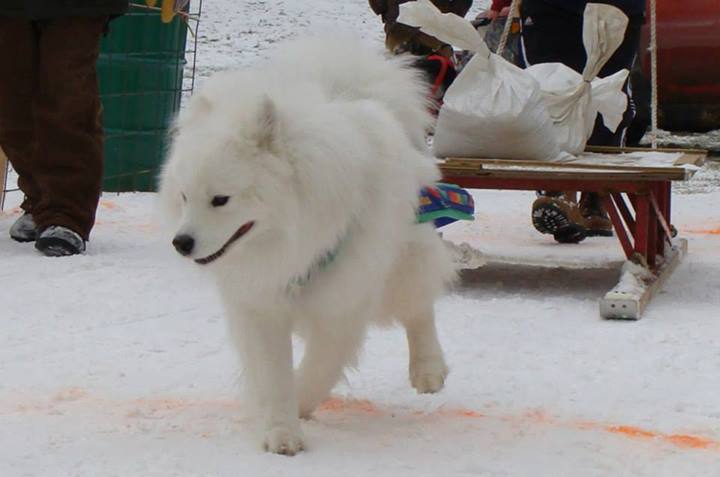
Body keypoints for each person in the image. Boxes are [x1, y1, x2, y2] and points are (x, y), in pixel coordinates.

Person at [0, 0, 129, 256]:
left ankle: (66, 215)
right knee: (10, 104)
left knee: (67, 98)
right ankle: (41, 202)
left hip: (76, 7)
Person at [519, 0, 646, 243]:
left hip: (616, 7)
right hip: (550, 10)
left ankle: (595, 194)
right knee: (549, 88)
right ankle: (559, 191)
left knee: (608, 93)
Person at [369, 0, 473, 57]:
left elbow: (378, 5)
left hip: (398, 31)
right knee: (437, 84)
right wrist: (449, 18)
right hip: (434, 35)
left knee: (395, 79)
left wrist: (389, 14)